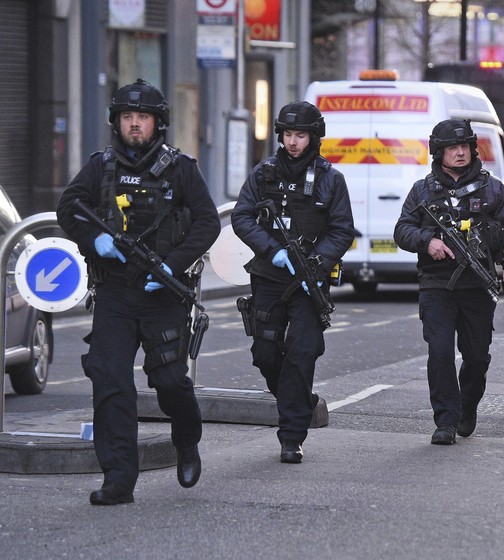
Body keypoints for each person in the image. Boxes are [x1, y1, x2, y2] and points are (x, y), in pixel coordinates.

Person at [56, 79, 220, 505]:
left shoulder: (181, 168)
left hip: (163, 294)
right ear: (117, 122)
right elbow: (69, 207)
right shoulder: (101, 166)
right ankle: (119, 478)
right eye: (127, 117)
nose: (134, 125)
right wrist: (95, 241)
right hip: (115, 294)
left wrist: (172, 264)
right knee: (109, 381)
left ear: (157, 123)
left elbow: (207, 223)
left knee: (169, 382)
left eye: (141, 118)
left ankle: (186, 439)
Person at [232, 101, 354, 464]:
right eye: (288, 134)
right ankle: (299, 401)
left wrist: (316, 262)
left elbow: (342, 229)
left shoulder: (331, 179)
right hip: (269, 277)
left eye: (300, 135)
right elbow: (242, 217)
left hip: (308, 283)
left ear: (314, 138)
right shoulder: (263, 173)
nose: (293, 142)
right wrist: (272, 251)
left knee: (302, 353)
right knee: (265, 353)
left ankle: (291, 435)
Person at [393, 118, 504, 445]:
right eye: (452, 148)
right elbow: (402, 230)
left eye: (464, 146)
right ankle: (445, 421)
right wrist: (427, 242)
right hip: (436, 286)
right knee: (439, 352)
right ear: (438, 153)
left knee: (476, 357)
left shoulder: (492, 188)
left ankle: (467, 407)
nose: (459, 153)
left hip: (478, 288)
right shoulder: (423, 190)